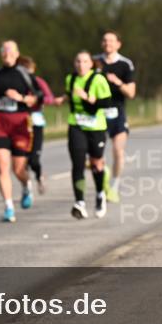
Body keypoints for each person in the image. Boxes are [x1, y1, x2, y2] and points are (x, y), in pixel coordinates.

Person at [0, 40, 37, 223]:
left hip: (21, 123)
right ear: (1, 54)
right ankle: (8, 206)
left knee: (18, 168)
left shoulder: (24, 73)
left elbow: (38, 97)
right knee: (1, 164)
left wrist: (21, 97)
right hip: (0, 122)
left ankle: (26, 185)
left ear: (16, 53)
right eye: (4, 50)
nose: (7, 53)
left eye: (10, 50)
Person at [64, 50, 113, 219]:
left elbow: (107, 101)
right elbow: (70, 98)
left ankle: (100, 194)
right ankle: (80, 203)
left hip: (96, 127)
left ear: (91, 64)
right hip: (76, 125)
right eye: (78, 61)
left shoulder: (98, 79)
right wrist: (62, 99)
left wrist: (91, 100)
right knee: (77, 164)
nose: (81, 65)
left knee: (96, 163)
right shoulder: (70, 79)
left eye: (85, 61)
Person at [94, 31, 136, 204]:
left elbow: (131, 93)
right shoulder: (94, 62)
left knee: (118, 151)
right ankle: (103, 180)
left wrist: (118, 82)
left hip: (117, 113)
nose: (107, 43)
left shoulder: (125, 64)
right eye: (104, 40)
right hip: (97, 114)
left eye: (111, 41)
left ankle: (115, 186)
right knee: (96, 156)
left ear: (118, 44)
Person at [18, 56, 55, 194]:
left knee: (34, 159)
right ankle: (26, 186)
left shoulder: (38, 82)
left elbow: (50, 98)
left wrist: (36, 100)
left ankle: (39, 177)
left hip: (36, 123)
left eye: (30, 71)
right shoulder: (15, 83)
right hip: (19, 124)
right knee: (22, 159)